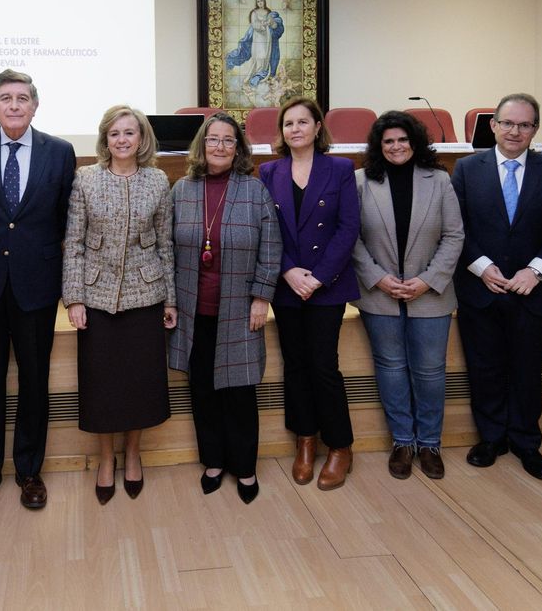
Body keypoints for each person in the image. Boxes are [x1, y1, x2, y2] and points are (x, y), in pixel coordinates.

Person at [0, 69, 76, 517]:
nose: (15, 105)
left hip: (36, 282)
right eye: (6, 97)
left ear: (35, 106)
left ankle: (29, 471)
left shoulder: (59, 152)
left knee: (34, 379)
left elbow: (63, 215)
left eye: (23, 98)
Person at [450, 93, 542, 482]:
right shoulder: (466, 169)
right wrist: (481, 266)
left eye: (524, 125)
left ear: (535, 129)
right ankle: (490, 439)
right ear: (493, 126)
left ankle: (526, 442)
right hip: (481, 289)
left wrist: (535, 272)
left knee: (527, 370)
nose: (514, 131)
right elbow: (455, 226)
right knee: (484, 368)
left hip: (533, 291)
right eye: (507, 123)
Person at [61, 106, 176, 505]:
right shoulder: (86, 179)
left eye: (130, 132)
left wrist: (171, 299)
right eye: (115, 133)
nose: (122, 140)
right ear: (105, 139)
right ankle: (106, 458)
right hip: (97, 298)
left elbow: (165, 244)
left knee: (140, 384)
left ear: (142, 138)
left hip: (146, 296)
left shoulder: (157, 180)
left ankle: (133, 454)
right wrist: (74, 298)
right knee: (103, 386)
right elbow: (74, 244)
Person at [167, 112, 280, 504]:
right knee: (203, 390)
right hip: (193, 308)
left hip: (239, 306)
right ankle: (213, 462)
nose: (219, 146)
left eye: (228, 140)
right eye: (213, 139)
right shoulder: (182, 189)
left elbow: (271, 247)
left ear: (238, 148)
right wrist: (169, 300)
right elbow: (167, 248)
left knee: (240, 392)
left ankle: (245, 468)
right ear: (202, 145)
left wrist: (262, 297)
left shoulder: (254, 190)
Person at [350, 111, 464, 480]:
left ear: (414, 143)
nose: (396, 146)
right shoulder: (361, 182)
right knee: (391, 368)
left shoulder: (440, 180)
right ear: (378, 146)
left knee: (430, 371)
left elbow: (454, 236)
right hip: (379, 294)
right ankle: (402, 441)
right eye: (388, 141)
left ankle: (429, 443)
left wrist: (427, 280)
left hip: (429, 294)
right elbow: (352, 238)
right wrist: (379, 278)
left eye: (403, 140)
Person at [258, 97, 359, 490]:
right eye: (288, 123)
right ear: (281, 132)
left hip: (326, 285)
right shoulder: (269, 171)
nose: (295, 129)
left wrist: (317, 277)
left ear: (318, 127)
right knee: (295, 365)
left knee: (323, 365)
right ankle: (305, 440)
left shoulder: (341, 169)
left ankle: (339, 445)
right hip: (287, 285)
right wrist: (287, 270)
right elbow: (266, 229)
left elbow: (348, 228)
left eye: (303, 122)